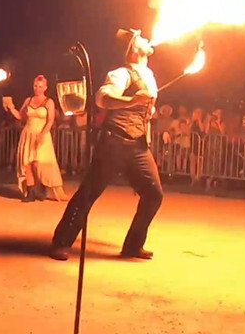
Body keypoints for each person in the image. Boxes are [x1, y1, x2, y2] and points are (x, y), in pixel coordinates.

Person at [50, 28, 163, 261]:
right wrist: (131, 100)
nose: (147, 39)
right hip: (114, 142)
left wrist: (146, 113)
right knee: (89, 193)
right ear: (132, 49)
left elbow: (143, 110)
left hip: (138, 145)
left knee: (153, 194)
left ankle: (133, 245)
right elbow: (103, 98)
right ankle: (61, 242)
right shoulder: (121, 73)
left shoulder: (149, 75)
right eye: (140, 38)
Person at [5, 75, 67, 202]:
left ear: (45, 87)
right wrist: (10, 107)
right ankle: (31, 192)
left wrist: (42, 134)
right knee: (27, 163)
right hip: (28, 133)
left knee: (38, 163)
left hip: (42, 134)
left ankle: (42, 187)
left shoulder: (49, 102)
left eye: (40, 86)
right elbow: (20, 117)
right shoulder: (28, 101)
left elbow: (50, 121)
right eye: (35, 86)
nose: (37, 89)